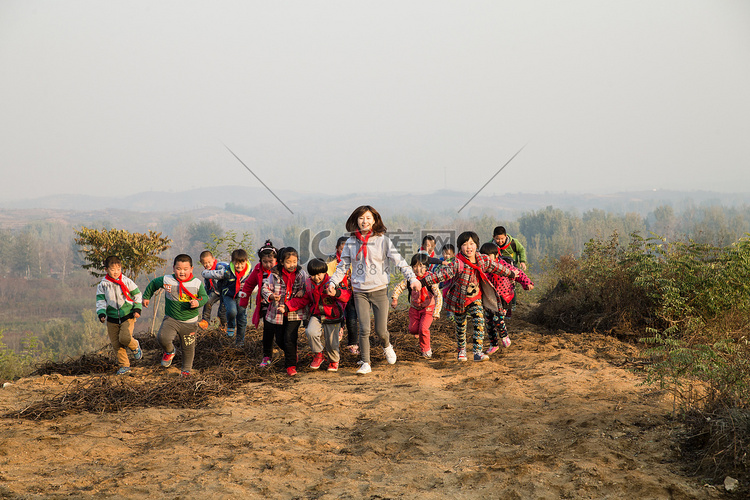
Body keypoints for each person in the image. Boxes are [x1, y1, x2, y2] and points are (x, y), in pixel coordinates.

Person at [327, 205, 420, 375]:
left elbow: (399, 261)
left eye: (368, 218)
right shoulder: (350, 242)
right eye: (361, 218)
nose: (365, 221)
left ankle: (386, 345)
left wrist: (412, 278)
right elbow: (342, 266)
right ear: (356, 220)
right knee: (364, 328)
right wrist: (333, 282)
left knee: (380, 330)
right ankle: (366, 362)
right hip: (360, 291)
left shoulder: (383, 240)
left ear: (375, 220)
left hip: (379, 290)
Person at [419, 231, 516, 362]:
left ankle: (477, 352)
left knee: (479, 320)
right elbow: (441, 275)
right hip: (458, 300)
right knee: (461, 326)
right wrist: (422, 282)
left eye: (472, 243)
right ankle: (461, 351)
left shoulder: (482, 260)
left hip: (475, 298)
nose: (469, 247)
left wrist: (511, 273)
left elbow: (496, 267)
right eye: (465, 244)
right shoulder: (457, 263)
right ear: (460, 247)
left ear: (477, 245)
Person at [142, 254, 208, 377]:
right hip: (171, 319)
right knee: (163, 337)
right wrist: (146, 297)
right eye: (178, 269)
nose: (182, 272)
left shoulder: (196, 283)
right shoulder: (167, 279)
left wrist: (198, 302)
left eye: (185, 269)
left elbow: (205, 297)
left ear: (191, 269)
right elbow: (153, 284)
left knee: (188, 347)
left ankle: (186, 371)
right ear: (173, 268)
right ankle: (170, 351)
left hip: (190, 322)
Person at [286, 258, 351, 372]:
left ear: (325, 272)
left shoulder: (332, 282)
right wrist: (287, 307)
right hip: (316, 314)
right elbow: (303, 300)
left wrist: (336, 293)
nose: (316, 277)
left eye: (319, 274)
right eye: (313, 275)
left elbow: (346, 296)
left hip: (332, 315)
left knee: (332, 342)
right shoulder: (308, 284)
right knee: (310, 332)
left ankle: (333, 361)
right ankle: (318, 354)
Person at [261, 247, 309, 376]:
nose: (292, 265)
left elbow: (308, 285)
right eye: (288, 262)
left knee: (289, 338)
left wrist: (303, 291)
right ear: (282, 262)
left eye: (294, 261)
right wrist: (271, 296)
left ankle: (291, 365)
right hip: (278, 311)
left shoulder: (301, 274)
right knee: (280, 340)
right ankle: (292, 352)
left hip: (295, 311)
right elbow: (264, 288)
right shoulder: (274, 274)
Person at [479, 243, 534, 353]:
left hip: (504, 296)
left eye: (488, 256)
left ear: (496, 255)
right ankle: (493, 344)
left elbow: (518, 273)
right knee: (489, 322)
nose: (486, 259)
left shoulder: (503, 265)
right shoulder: (482, 267)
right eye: (483, 257)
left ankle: (504, 336)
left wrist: (527, 283)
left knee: (497, 318)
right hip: (489, 298)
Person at [95, 256, 143, 375]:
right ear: (106, 269)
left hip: (127, 314)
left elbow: (137, 294)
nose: (116, 272)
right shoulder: (103, 285)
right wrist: (101, 313)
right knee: (116, 343)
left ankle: (135, 345)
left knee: (125, 338)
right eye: (112, 269)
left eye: (118, 269)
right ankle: (124, 366)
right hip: (112, 318)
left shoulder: (126, 281)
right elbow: (100, 300)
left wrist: (137, 308)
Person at [390, 253, 442, 358]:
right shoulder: (410, 279)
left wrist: (436, 312)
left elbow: (438, 295)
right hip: (414, 309)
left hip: (428, 308)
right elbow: (400, 287)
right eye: (415, 266)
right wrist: (395, 299)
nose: (418, 269)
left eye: (421, 266)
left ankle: (426, 350)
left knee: (423, 329)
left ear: (426, 267)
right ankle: (420, 335)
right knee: (413, 330)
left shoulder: (430, 279)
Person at [238, 240, 278, 367]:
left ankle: (290, 353)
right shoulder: (257, 270)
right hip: (266, 304)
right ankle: (267, 356)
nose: (267, 265)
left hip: (283, 305)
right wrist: (244, 301)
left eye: (270, 262)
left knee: (283, 332)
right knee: (268, 329)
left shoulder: (280, 269)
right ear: (260, 261)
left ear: (276, 260)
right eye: (264, 262)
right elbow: (249, 285)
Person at [201, 249, 251, 347]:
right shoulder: (226, 271)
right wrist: (204, 273)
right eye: (237, 263)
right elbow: (212, 274)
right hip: (228, 295)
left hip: (242, 296)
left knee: (242, 318)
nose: (239, 266)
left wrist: (247, 288)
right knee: (232, 311)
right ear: (232, 262)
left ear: (246, 261)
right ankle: (230, 326)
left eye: (242, 263)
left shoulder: (249, 273)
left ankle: (240, 342)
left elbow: (255, 285)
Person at [328, 236, 359, 355]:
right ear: (337, 249)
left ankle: (353, 344)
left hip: (351, 297)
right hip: (337, 297)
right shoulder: (332, 265)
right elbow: (328, 279)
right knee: (338, 319)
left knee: (352, 321)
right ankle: (335, 344)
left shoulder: (356, 263)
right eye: (342, 249)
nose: (346, 252)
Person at [197, 250, 227, 331]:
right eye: (205, 263)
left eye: (209, 262)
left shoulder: (220, 266)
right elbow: (208, 286)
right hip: (216, 292)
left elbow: (227, 271)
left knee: (222, 312)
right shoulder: (206, 272)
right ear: (201, 262)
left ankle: (224, 327)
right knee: (207, 301)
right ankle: (205, 321)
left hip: (225, 292)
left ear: (214, 259)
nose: (207, 264)